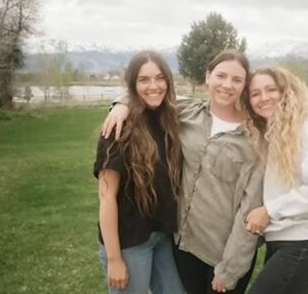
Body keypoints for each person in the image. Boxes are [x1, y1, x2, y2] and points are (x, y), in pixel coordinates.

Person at [102, 49, 264, 294]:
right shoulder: (188, 112)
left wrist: (230, 268)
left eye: (237, 79)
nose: (227, 85)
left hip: (223, 255)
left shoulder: (255, 139)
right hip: (183, 248)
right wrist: (121, 103)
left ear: (245, 85)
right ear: (207, 76)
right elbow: (150, 94)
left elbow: (250, 210)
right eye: (220, 75)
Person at [93, 50, 184, 294]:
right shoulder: (118, 128)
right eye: (144, 80)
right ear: (133, 85)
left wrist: (122, 102)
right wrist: (114, 260)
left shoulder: (169, 118)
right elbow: (106, 196)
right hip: (128, 242)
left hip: (161, 236)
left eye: (159, 78)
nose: (153, 86)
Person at [243, 67, 308, 294]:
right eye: (255, 93)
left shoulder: (305, 130)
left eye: (270, 90)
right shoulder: (273, 135)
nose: (263, 98)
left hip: (302, 245)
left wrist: (269, 210)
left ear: (286, 92)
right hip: (282, 243)